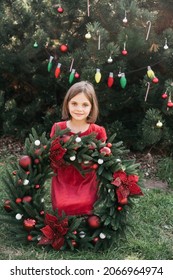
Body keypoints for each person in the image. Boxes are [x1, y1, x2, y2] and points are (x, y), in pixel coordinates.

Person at [50, 81, 107, 216]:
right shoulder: (59, 128)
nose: (79, 109)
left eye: (85, 105)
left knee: (87, 205)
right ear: (67, 104)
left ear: (92, 107)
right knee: (61, 206)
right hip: (64, 178)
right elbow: (53, 157)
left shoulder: (97, 131)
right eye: (74, 103)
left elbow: (103, 160)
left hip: (86, 179)